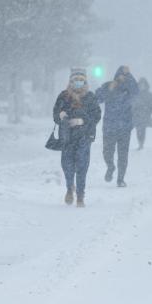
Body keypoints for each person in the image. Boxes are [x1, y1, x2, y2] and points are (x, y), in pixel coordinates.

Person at [52, 68, 101, 207]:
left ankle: (80, 196)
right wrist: (60, 115)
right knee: (67, 166)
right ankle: (69, 188)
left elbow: (96, 116)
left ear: (85, 81)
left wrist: (82, 121)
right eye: (75, 80)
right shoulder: (64, 96)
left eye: (81, 80)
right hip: (67, 137)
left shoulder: (90, 97)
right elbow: (55, 113)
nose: (78, 82)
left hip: (84, 137)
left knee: (81, 166)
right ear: (71, 81)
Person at [95, 65, 139, 187]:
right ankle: (110, 167)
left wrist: (129, 76)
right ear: (116, 75)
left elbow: (136, 91)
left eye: (125, 75)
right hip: (109, 126)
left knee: (123, 155)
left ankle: (121, 179)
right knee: (107, 152)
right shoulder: (108, 86)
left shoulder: (129, 90)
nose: (122, 77)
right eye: (121, 74)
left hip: (125, 128)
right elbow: (97, 98)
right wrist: (108, 89)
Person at [132, 77, 152, 150]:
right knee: (138, 129)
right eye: (140, 85)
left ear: (146, 85)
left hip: (145, 114)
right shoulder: (135, 94)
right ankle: (140, 143)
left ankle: (141, 144)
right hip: (137, 115)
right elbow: (131, 104)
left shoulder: (149, 94)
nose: (142, 86)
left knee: (142, 129)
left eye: (143, 85)